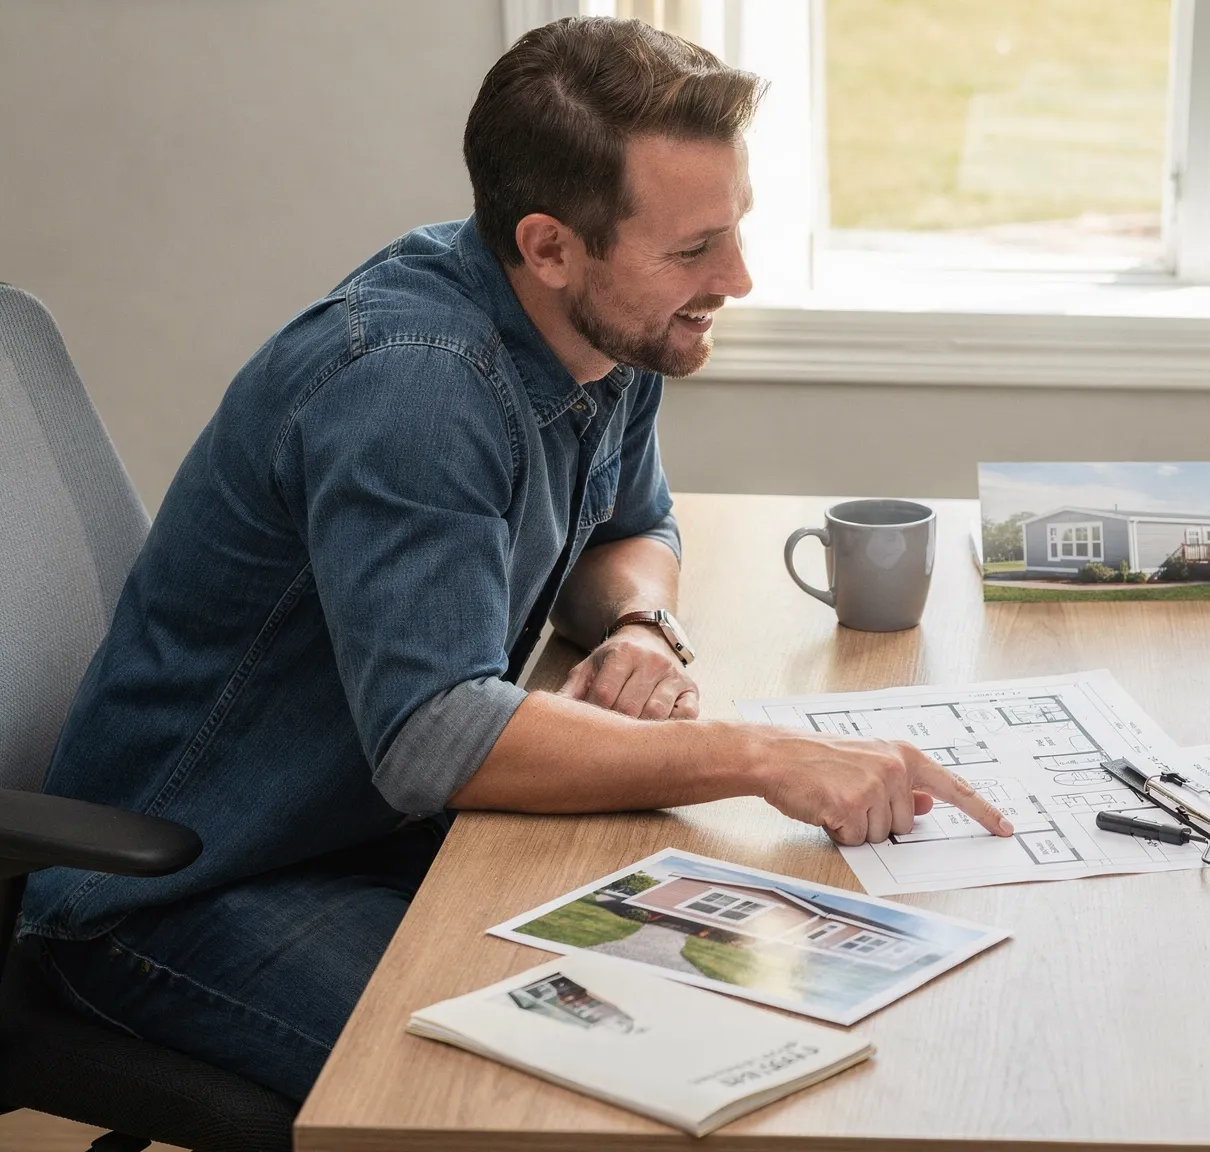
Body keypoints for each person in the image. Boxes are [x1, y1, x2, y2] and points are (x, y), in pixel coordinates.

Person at [19, 17, 1009, 1102]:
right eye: (692, 251)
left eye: (732, 230)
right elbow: (436, 741)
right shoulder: (413, 387)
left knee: (752, 1013)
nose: (736, 276)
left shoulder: (611, 323)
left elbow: (636, 526)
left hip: (382, 831)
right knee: (590, 1096)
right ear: (548, 245)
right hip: (190, 887)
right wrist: (764, 757)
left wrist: (638, 623)